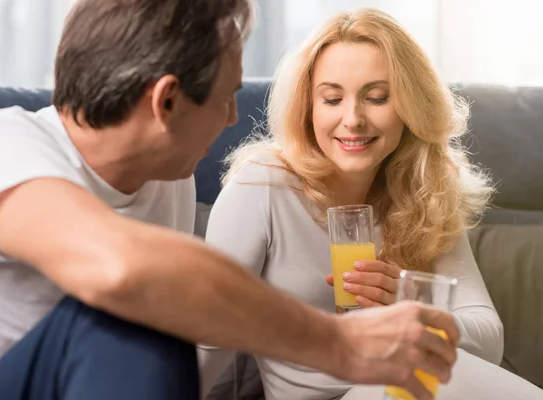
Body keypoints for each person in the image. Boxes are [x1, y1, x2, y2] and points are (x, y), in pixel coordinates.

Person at [0, 2, 461, 400]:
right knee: (132, 314)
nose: (234, 118)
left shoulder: (168, 180)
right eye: (226, 96)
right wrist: (341, 345)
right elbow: (119, 269)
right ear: (166, 102)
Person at [198, 7, 543, 400]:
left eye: (376, 97)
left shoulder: (425, 191)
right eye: (331, 99)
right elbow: (209, 336)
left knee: (436, 371)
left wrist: (408, 302)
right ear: (308, 109)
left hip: (403, 389)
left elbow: (488, 335)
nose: (353, 119)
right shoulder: (263, 185)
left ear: (411, 106)